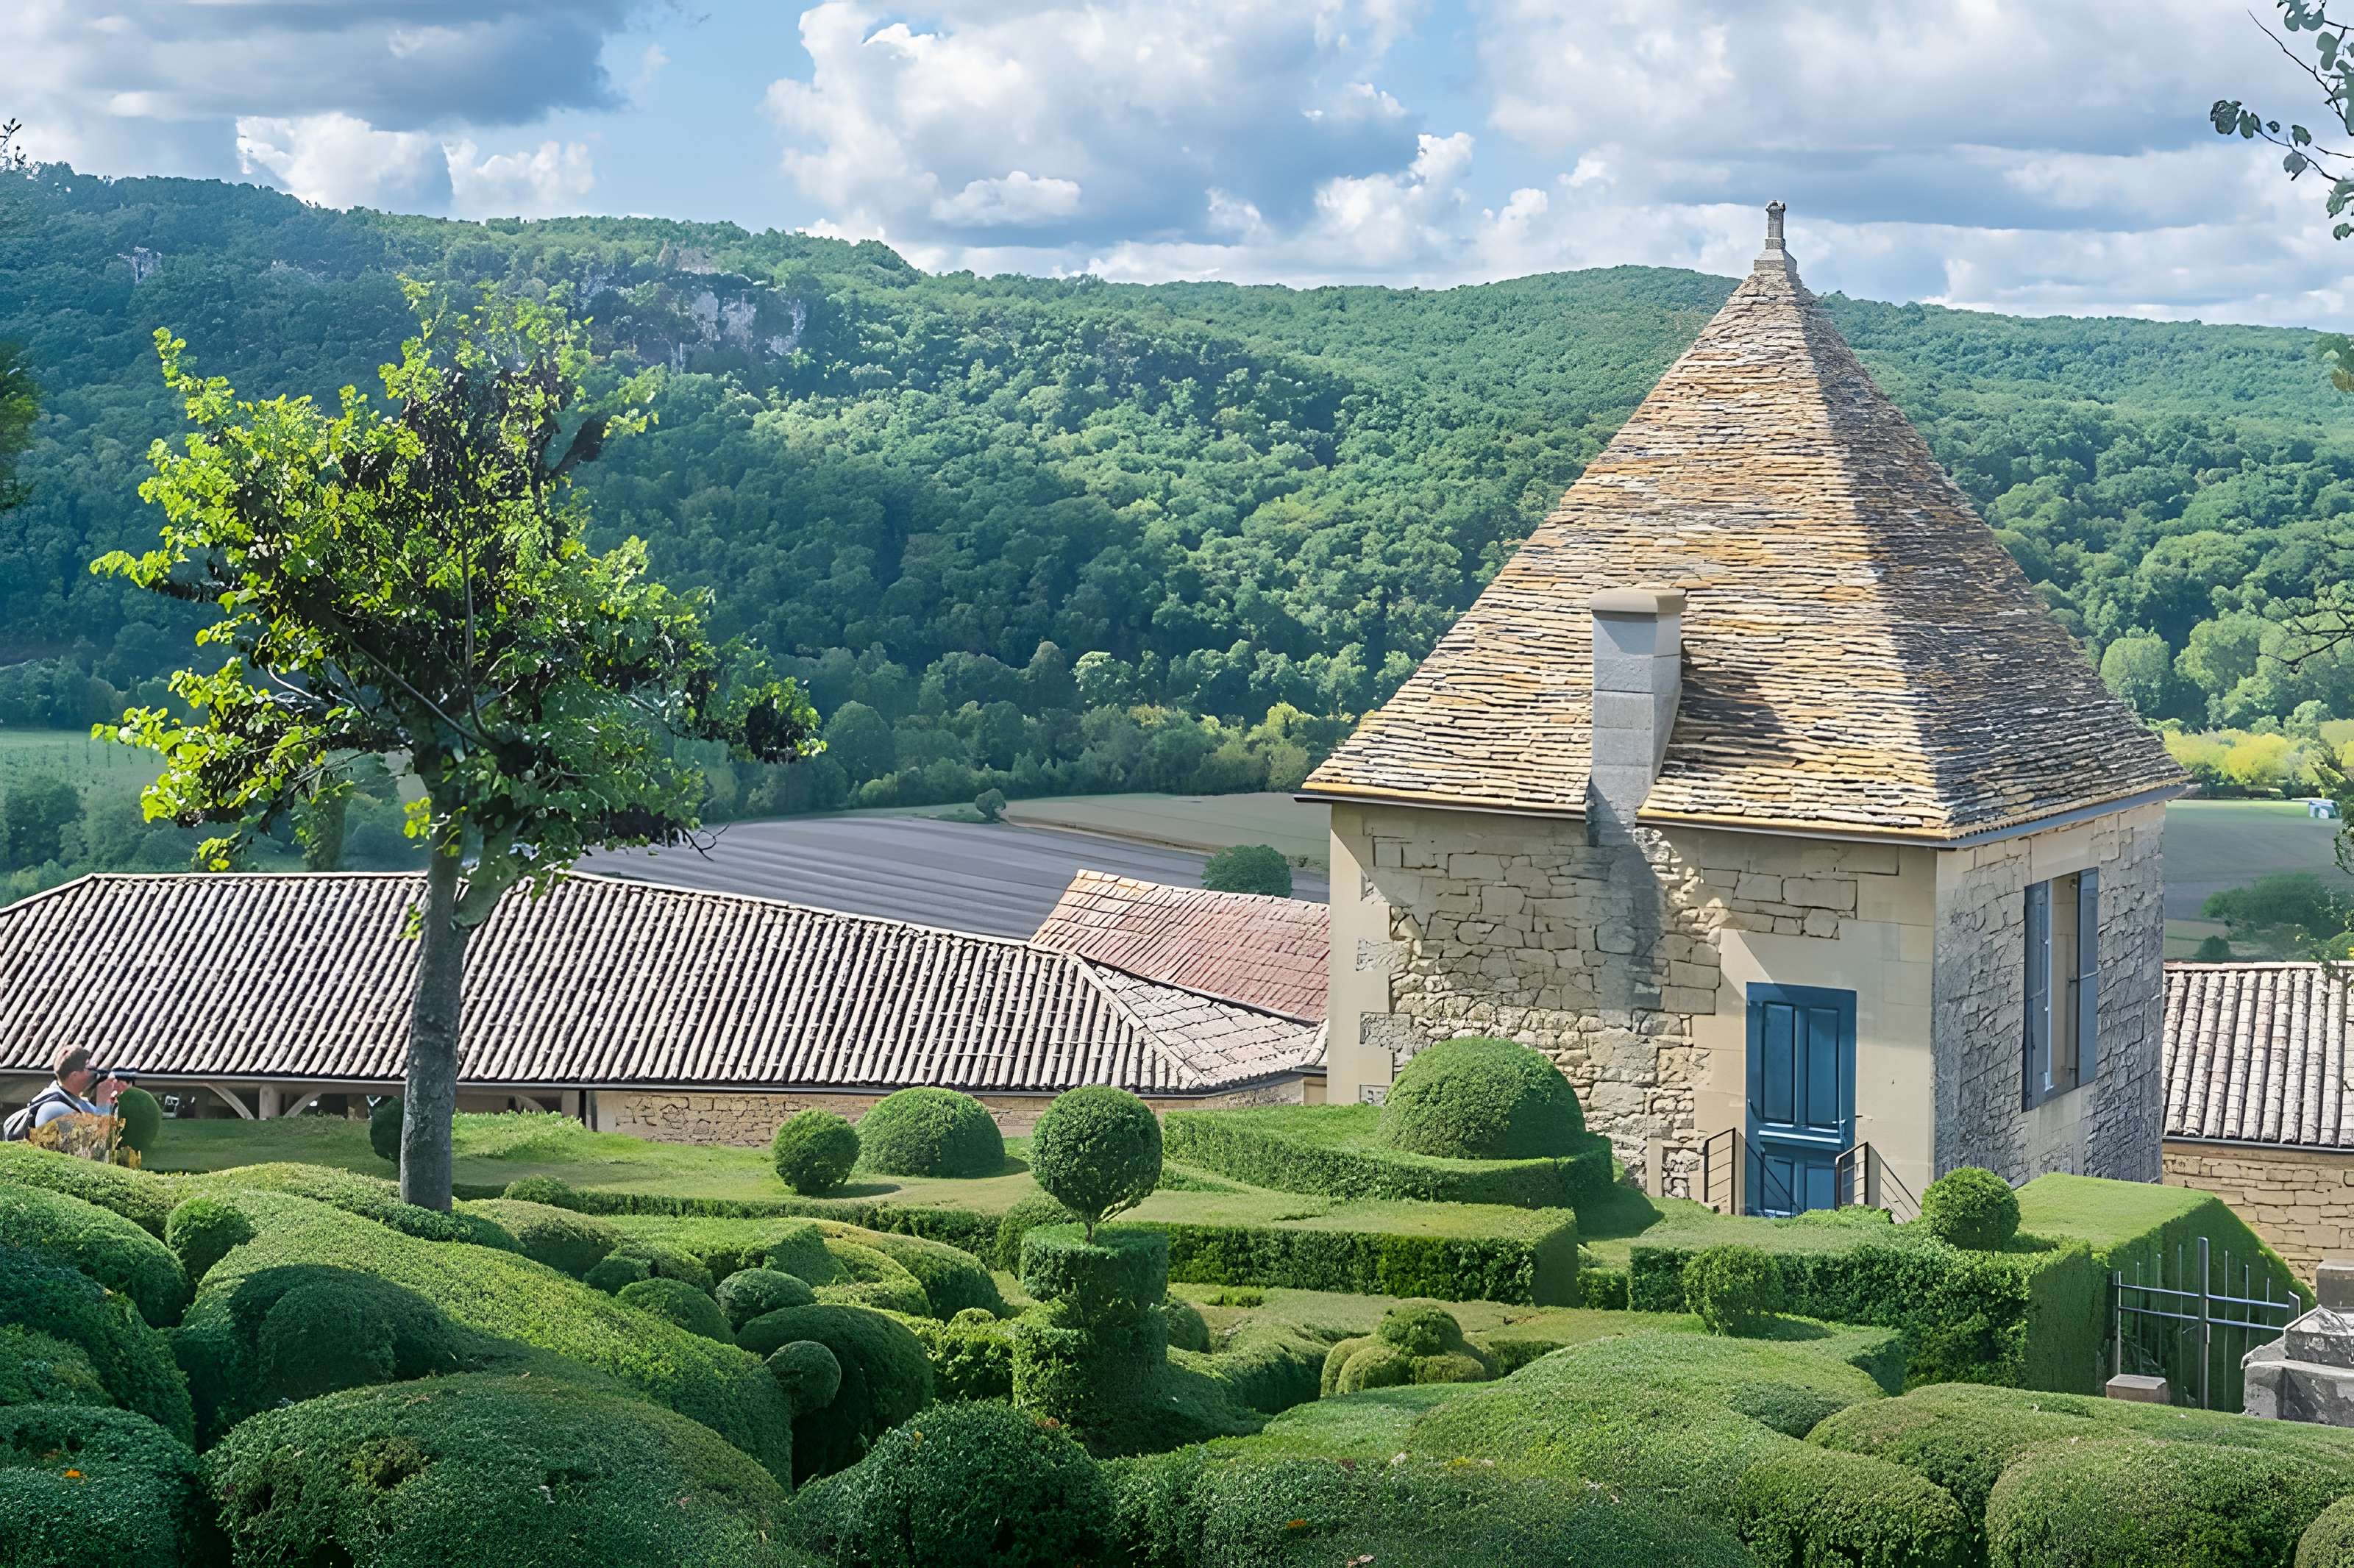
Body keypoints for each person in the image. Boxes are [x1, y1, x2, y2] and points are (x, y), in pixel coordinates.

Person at [3, 1046, 124, 1140]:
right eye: (89, 1068)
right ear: (74, 1076)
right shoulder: (54, 1109)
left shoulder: (80, 1103)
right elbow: (96, 1146)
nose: (95, 1072)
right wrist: (103, 1103)